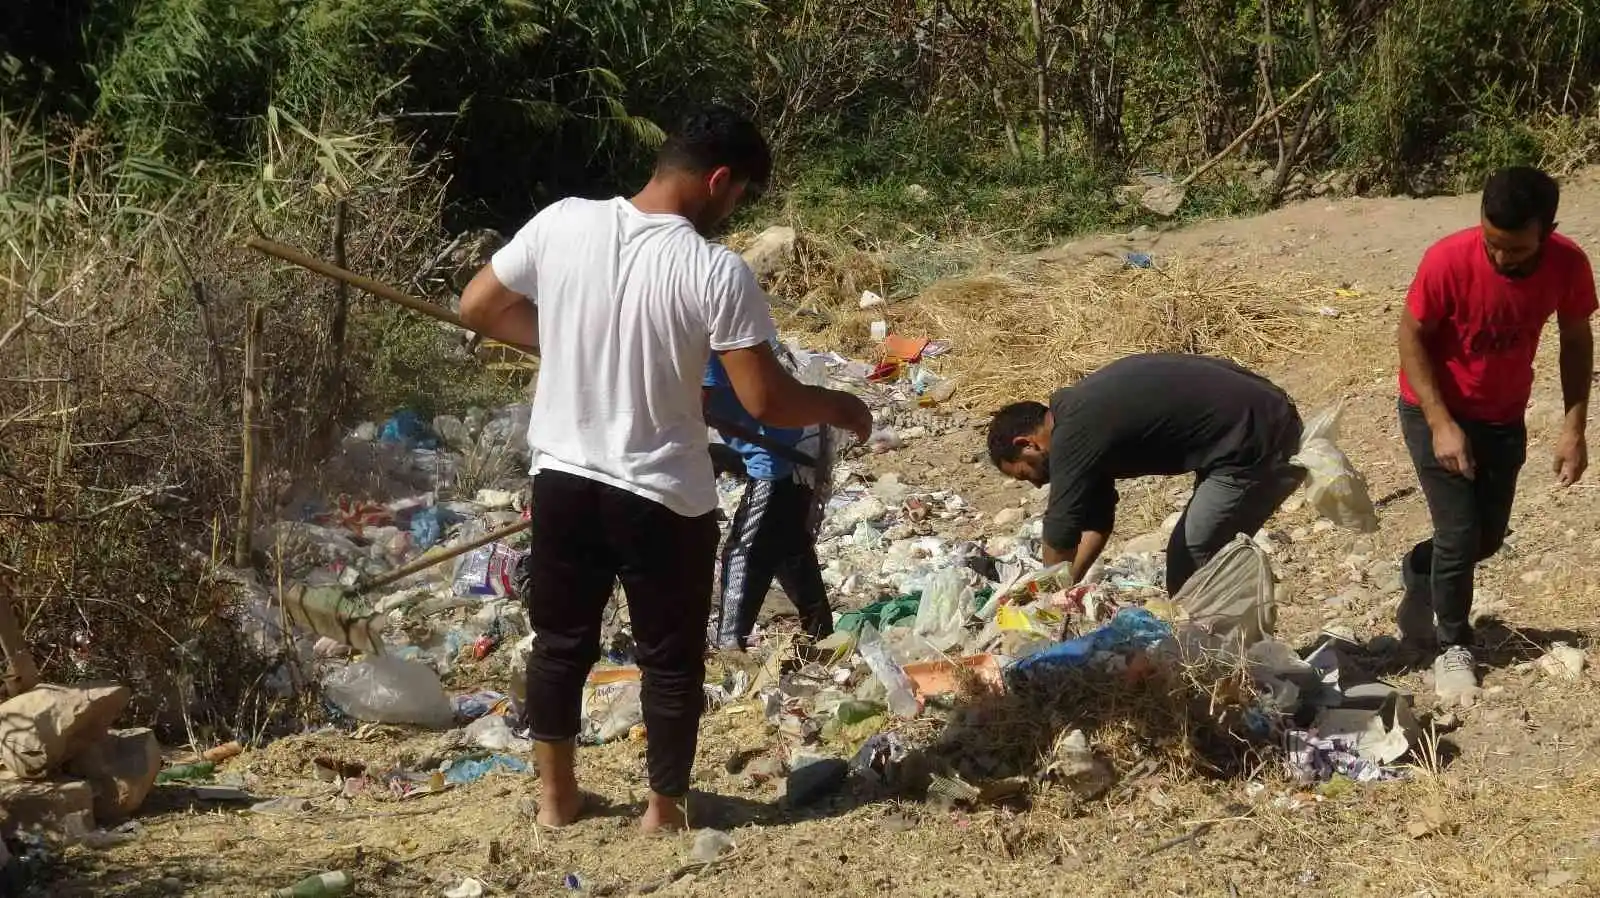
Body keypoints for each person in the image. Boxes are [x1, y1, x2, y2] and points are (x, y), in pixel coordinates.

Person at [458, 105, 872, 833]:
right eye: (738, 194)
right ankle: (664, 811)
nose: (733, 209)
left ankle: (556, 802)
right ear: (718, 179)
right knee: (670, 662)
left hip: (562, 481)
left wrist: (569, 349)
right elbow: (766, 400)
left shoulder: (562, 222)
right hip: (660, 497)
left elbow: (480, 307)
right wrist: (839, 406)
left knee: (559, 644)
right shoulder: (714, 269)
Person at [1395, 166, 1594, 708]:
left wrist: (1574, 427)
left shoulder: (1568, 264)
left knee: (1486, 539)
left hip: (1503, 415)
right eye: (1493, 244)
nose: (1502, 258)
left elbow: (1576, 341)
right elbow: (1410, 336)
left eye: (1517, 250)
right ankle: (1454, 645)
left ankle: (1418, 570)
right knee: (1459, 534)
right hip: (1434, 408)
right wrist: (1440, 423)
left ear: (1547, 232)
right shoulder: (1447, 260)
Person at [987, 353, 1303, 594]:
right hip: (1247, 426)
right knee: (1198, 551)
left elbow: (1061, 528)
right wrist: (1066, 586)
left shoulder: (1074, 432)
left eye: (1025, 473)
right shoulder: (1080, 420)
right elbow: (1096, 524)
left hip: (1260, 436)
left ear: (1027, 443)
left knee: (1192, 553)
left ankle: (1216, 656)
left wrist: (1045, 598)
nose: (1039, 482)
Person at [704, 337, 834, 652]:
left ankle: (729, 644)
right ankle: (821, 633)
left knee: (741, 551)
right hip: (789, 449)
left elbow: (693, 403)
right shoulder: (726, 336)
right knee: (789, 548)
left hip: (771, 461)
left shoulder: (706, 347)